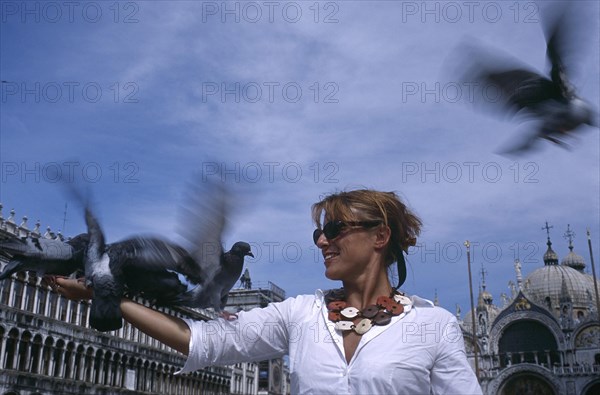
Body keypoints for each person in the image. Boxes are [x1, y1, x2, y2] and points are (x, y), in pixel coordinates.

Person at [56, 189, 483, 395]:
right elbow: (200, 340)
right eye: (319, 232)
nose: (321, 241)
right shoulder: (300, 314)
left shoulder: (434, 326)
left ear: (379, 237)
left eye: (334, 230)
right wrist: (105, 296)